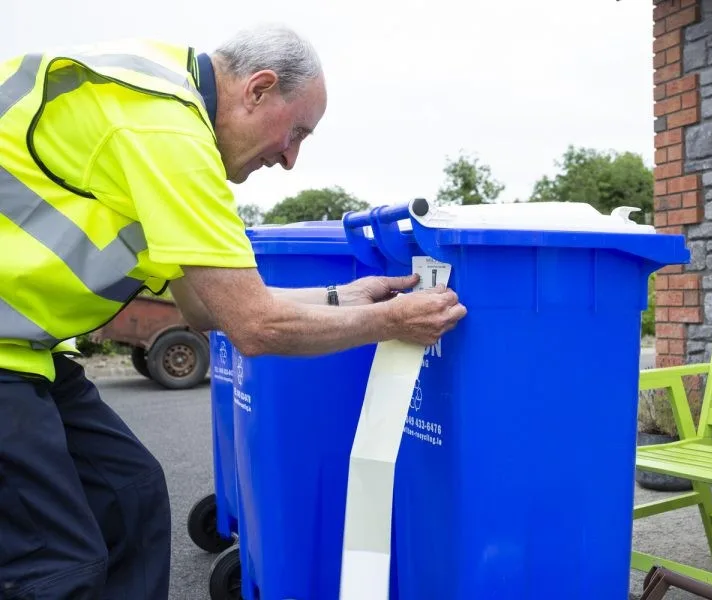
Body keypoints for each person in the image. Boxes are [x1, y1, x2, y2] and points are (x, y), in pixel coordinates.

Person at [0, 23, 467, 599]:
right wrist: (394, 323)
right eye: (296, 132)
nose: (291, 159)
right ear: (259, 89)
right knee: (57, 561)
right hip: (5, 357)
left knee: (130, 493)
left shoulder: (158, 109)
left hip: (24, 351)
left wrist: (342, 296)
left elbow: (205, 310)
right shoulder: (163, 128)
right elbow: (255, 326)